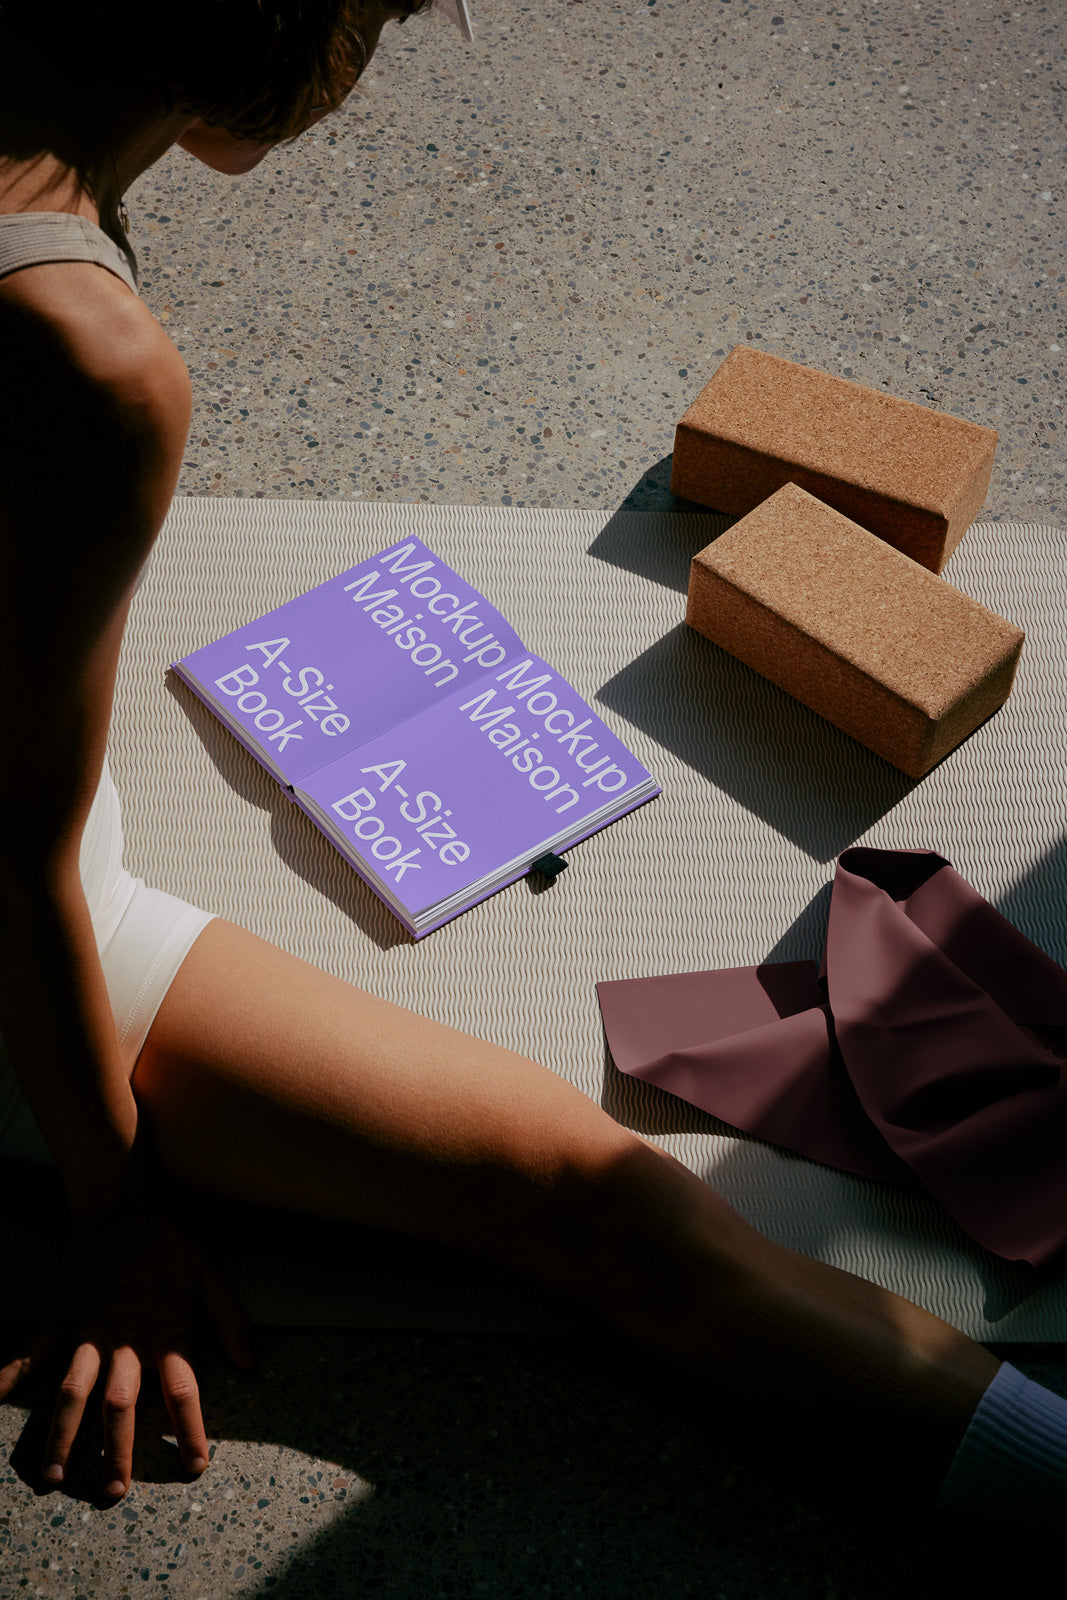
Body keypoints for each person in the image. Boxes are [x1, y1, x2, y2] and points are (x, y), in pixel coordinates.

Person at [0, 0, 1064, 1525]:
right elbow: (15, 858)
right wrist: (112, 1213)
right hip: (20, 947)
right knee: (607, 1208)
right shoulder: (82, 360)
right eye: (379, 16)